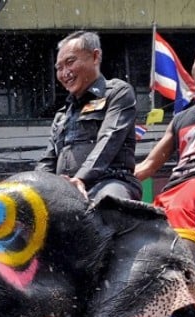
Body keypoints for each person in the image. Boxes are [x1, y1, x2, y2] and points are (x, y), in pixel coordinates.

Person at [135, 35, 195, 270]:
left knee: (181, 206)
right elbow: (149, 164)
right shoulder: (180, 118)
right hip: (176, 186)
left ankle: (185, 279)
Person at [36, 30, 141, 201]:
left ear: (95, 57)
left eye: (70, 62)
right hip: (66, 191)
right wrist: (36, 187)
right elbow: (48, 161)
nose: (64, 73)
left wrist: (82, 178)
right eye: (59, 68)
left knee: (107, 206)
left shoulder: (118, 93)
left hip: (111, 182)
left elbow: (109, 139)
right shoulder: (62, 115)